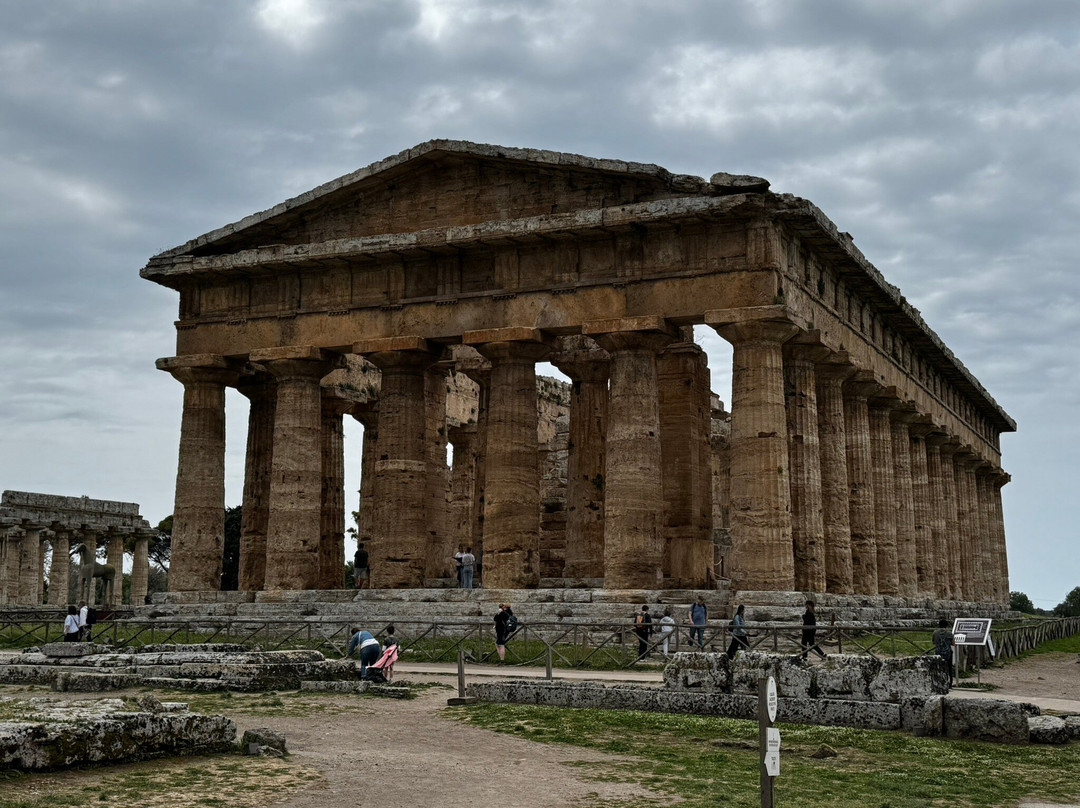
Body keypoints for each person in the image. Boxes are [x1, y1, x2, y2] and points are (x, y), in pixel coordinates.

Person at [932, 618, 955, 687]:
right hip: (948, 653)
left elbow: (933, 642)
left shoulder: (935, 633)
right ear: (946, 626)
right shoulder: (949, 633)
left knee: (938, 668)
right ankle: (949, 683)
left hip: (938, 652)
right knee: (949, 668)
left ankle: (938, 682)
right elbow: (953, 643)